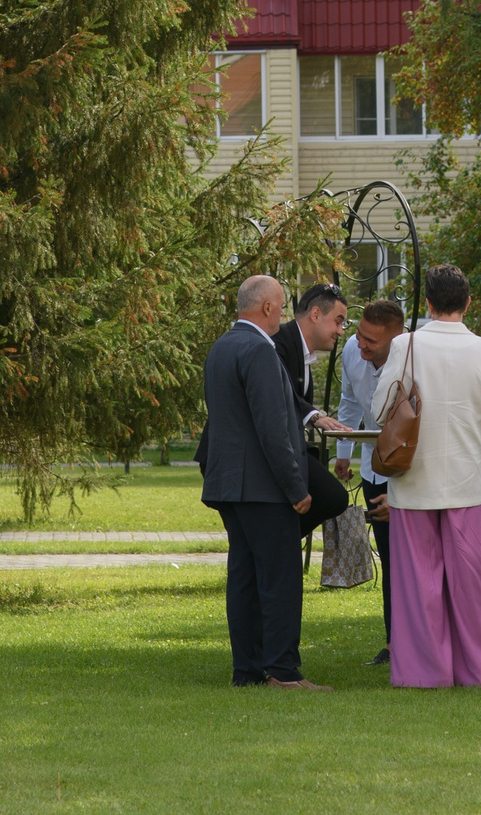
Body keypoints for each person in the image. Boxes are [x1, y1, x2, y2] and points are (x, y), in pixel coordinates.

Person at [370, 264, 481, 688]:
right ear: (468, 302)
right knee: (470, 583)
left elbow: (380, 410)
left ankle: (425, 672)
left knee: (419, 583)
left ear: (427, 303)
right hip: (464, 477)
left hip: (414, 477)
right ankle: (479, 670)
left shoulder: (405, 345)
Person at [198, 275, 324, 691]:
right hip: (264, 488)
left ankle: (247, 670)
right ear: (268, 308)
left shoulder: (222, 347)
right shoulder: (259, 350)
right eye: (283, 306)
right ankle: (284, 672)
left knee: (245, 578)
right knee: (280, 579)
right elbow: (274, 431)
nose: (284, 314)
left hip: (230, 485)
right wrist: (296, 488)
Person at [333, 296, 406, 667]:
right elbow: (348, 400)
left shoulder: (412, 360)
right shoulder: (351, 350)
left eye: (370, 341)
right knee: (391, 560)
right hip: (373, 471)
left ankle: (420, 641)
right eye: (359, 334)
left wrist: (400, 492)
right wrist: (343, 451)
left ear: (396, 339)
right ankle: (394, 644)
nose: (360, 343)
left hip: (410, 475)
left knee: (414, 560)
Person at [271, 282, 353, 538]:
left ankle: (280, 544)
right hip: (268, 453)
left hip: (285, 449)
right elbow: (276, 392)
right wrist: (315, 416)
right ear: (315, 314)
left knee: (332, 497)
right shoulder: (277, 343)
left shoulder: (299, 349)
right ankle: (280, 543)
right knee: (332, 496)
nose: (340, 331)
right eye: (338, 321)